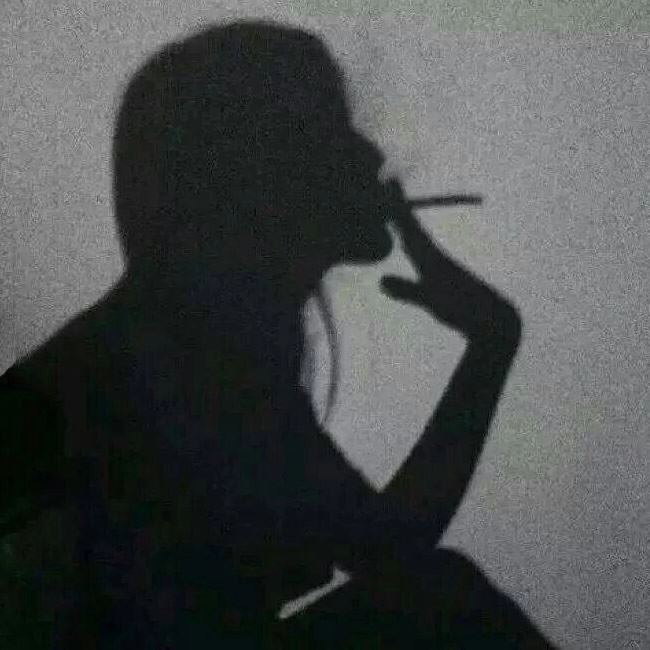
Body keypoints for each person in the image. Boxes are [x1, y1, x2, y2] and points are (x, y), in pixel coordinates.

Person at [0, 19, 557, 648]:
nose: (371, 155)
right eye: (330, 132)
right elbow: (395, 550)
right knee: (447, 606)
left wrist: (492, 341)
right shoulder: (185, 368)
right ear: (261, 177)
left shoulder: (175, 346)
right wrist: (491, 342)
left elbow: (388, 543)